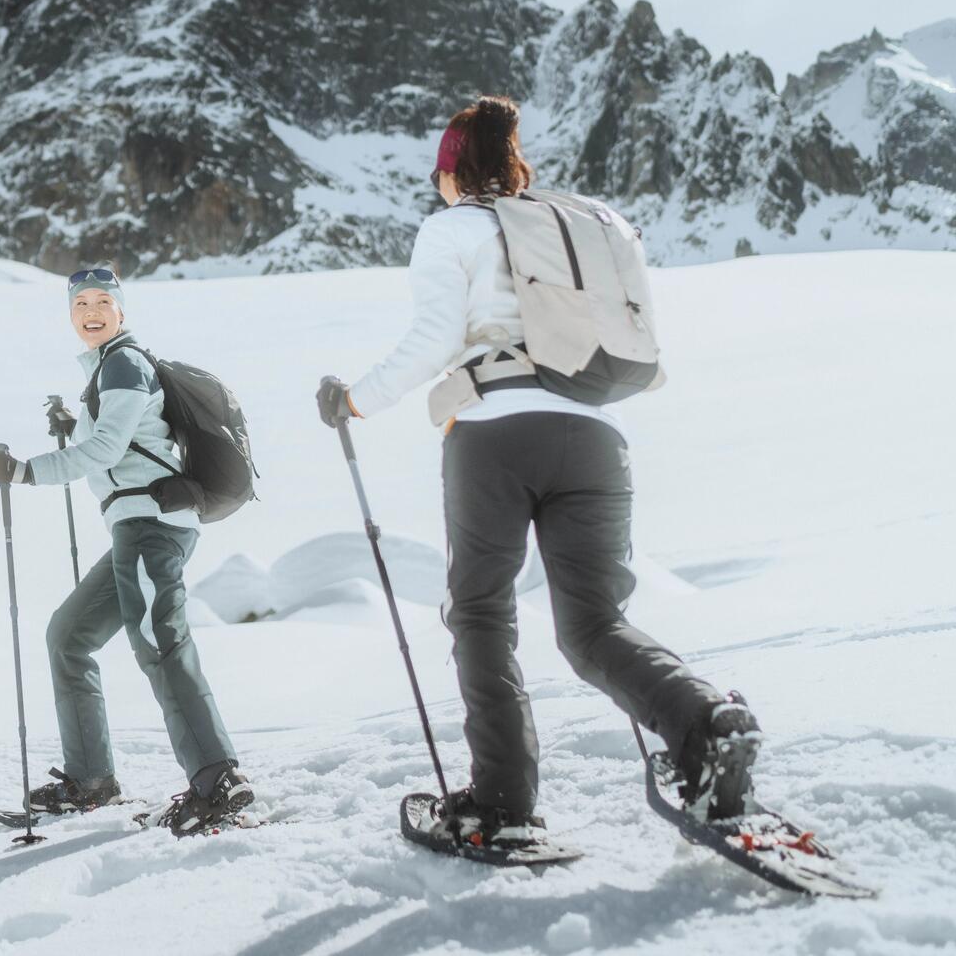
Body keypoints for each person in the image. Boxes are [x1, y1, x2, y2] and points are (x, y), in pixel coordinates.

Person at [316, 95, 760, 847]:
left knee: (483, 612)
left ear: (453, 172)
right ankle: (704, 724)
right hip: (595, 436)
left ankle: (503, 799)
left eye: (440, 175)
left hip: (494, 434)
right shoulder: (583, 226)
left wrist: (354, 400)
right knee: (594, 625)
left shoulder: (451, 227)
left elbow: (432, 341)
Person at [0, 268, 252, 836]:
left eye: (103, 301)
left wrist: (26, 471)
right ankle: (91, 780)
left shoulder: (125, 362)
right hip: (134, 530)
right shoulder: (109, 368)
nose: (91, 310)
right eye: (80, 302)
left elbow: (106, 447)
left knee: (160, 642)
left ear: (121, 311)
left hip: (150, 526)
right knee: (69, 635)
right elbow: (116, 435)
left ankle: (217, 779)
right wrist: (75, 420)